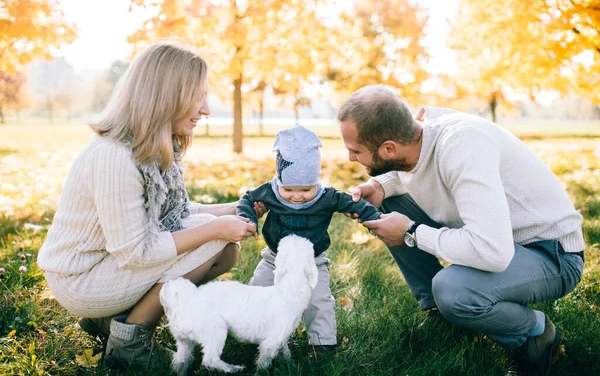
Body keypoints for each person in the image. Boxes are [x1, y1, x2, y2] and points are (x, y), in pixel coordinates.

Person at [37, 41, 260, 370]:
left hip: (109, 264)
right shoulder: (114, 156)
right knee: (214, 240)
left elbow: (175, 215)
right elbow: (135, 252)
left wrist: (239, 207)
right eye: (198, 97)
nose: (207, 109)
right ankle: (129, 340)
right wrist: (216, 228)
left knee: (225, 248)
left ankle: (114, 319)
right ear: (166, 95)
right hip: (82, 279)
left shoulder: (155, 145)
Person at [338, 85, 585, 376]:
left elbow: (492, 252)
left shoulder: (462, 146)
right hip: (502, 241)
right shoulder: (419, 133)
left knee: (453, 290)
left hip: (550, 253)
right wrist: (380, 186)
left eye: (355, 151)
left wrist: (411, 232)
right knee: (390, 202)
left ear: (389, 148)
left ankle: (535, 334)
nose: (351, 159)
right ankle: (439, 312)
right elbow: (417, 168)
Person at [236, 125, 381, 354]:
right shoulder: (271, 192)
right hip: (276, 258)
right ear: (279, 181)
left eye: (306, 189)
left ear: (316, 182)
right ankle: (255, 337)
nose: (297, 196)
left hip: (313, 261)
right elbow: (247, 199)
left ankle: (322, 343)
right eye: (289, 189)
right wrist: (247, 218)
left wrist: (372, 217)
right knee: (258, 290)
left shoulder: (327, 197)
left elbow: (353, 203)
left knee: (318, 299)